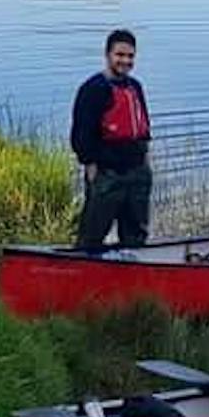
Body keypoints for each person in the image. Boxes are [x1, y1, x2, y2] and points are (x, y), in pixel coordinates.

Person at [70, 28, 152, 253]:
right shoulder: (93, 89)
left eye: (130, 56)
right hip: (107, 174)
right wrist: (90, 164)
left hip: (137, 172)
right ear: (107, 55)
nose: (125, 61)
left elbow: (143, 126)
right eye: (120, 55)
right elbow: (81, 135)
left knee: (136, 235)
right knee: (92, 233)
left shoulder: (135, 87)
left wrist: (145, 161)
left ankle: (132, 281)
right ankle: (82, 276)